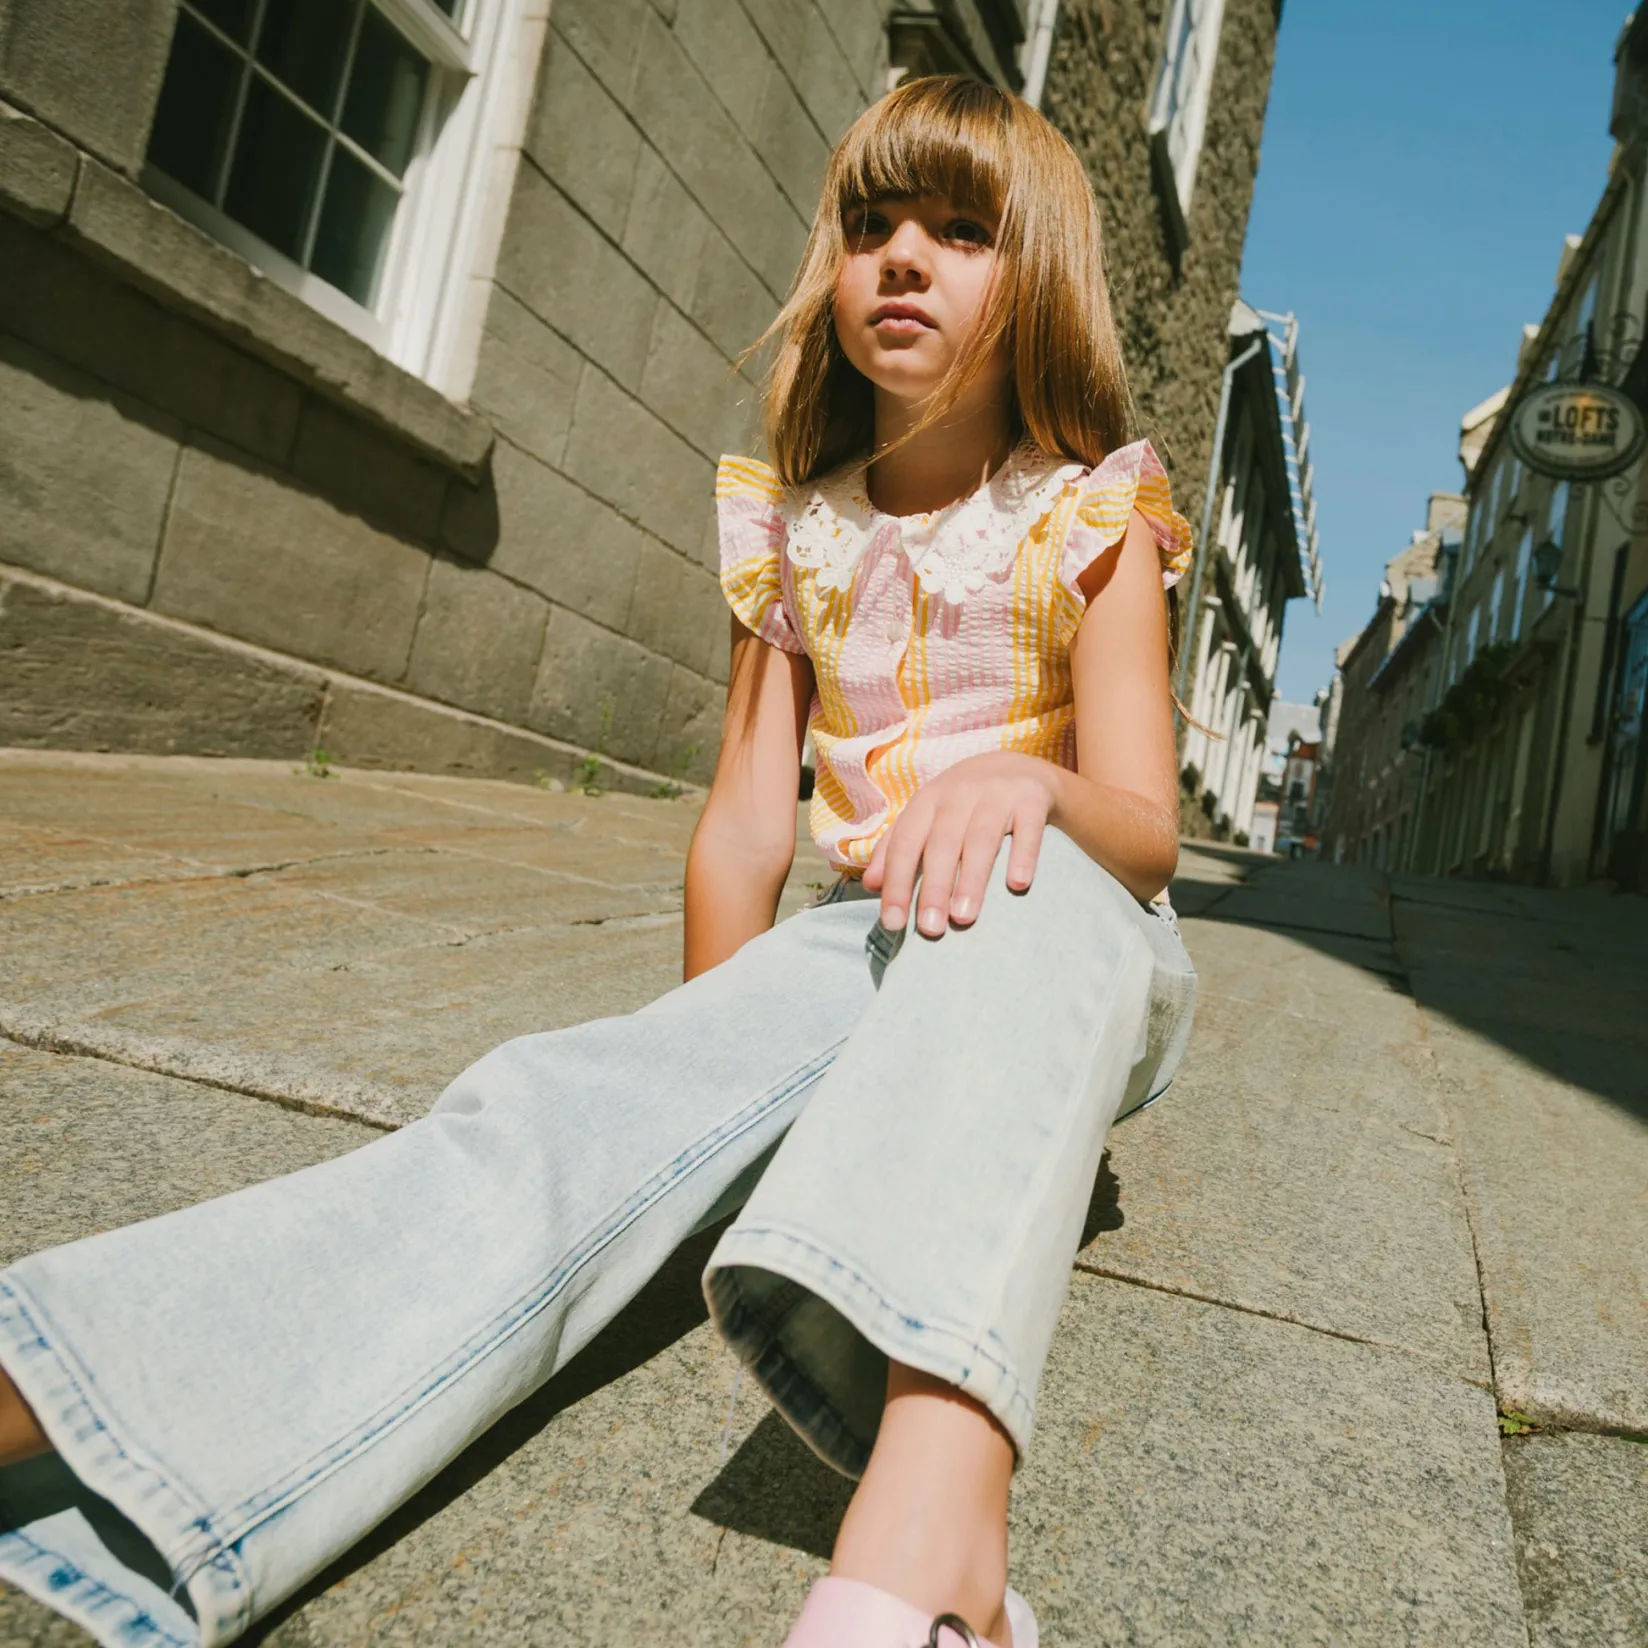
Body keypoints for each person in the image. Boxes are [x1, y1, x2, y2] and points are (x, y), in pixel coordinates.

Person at [0, 75, 1198, 1648]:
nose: (902, 257)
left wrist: (1019, 783)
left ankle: (928, 1548)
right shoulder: (795, 531)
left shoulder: (1095, 515)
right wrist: (698, 1073)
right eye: (871, 226)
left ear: (1037, 273)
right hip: (857, 941)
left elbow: (1147, 829)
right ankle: (65, 1383)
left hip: (1070, 930)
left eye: (962, 231)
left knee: (1025, 887)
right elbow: (746, 825)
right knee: (558, 1105)